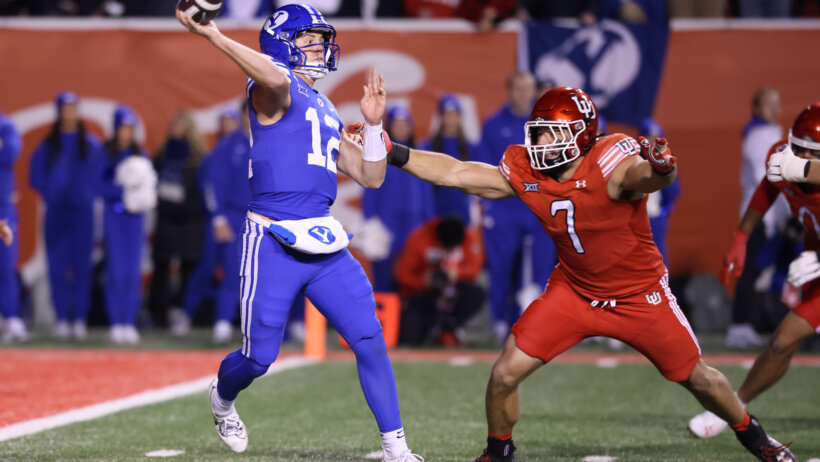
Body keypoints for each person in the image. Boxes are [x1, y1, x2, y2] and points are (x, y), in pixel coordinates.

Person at [383, 86, 794, 462]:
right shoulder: (530, 170)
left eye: (549, 134)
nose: (538, 142)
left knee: (698, 379)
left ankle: (755, 437)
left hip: (638, 296)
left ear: (579, 136)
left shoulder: (611, 162)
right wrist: (394, 151)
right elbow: (456, 172)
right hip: (575, 291)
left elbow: (645, 177)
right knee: (505, 372)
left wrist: (663, 168)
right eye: (537, 131)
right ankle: (498, 452)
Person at [175, 4, 422, 460]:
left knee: (369, 337)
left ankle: (396, 449)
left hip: (323, 239)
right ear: (280, 44)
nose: (320, 47)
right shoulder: (271, 89)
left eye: (320, 39)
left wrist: (372, 125)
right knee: (257, 359)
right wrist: (213, 34)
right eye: (308, 39)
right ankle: (223, 397)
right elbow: (272, 78)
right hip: (271, 237)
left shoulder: (325, 106)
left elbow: (371, 176)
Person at [689, 103, 820, 440]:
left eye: (812, 151)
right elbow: (768, 189)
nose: (801, 154)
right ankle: (734, 406)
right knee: (781, 342)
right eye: (798, 146)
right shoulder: (782, 156)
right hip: (814, 258)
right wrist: (741, 237)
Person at [473, 71, 556, 344]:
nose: (524, 94)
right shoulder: (494, 124)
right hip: (504, 207)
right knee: (501, 268)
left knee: (540, 268)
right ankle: (500, 322)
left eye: (528, 89)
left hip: (538, 208)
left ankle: (537, 323)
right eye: (518, 89)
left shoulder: (546, 125)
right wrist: (488, 205)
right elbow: (484, 167)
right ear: (509, 91)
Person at [29, 91, 104, 341]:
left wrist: (86, 194)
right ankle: (62, 318)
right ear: (59, 112)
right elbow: (35, 177)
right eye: (65, 108)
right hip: (57, 214)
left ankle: (79, 318)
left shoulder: (91, 144)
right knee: (57, 267)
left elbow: (100, 174)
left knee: (83, 267)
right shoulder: (48, 145)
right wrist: (53, 192)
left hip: (83, 213)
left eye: (74, 108)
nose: (70, 113)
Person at [728, 87, 790, 348]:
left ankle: (749, 323)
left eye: (778, 103)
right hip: (758, 215)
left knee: (761, 270)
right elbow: (766, 176)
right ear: (756, 107)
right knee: (749, 270)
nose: (775, 109)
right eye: (769, 104)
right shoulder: (757, 135)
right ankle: (739, 325)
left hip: (771, 214)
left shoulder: (769, 134)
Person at [99, 105, 156, 345]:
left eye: (131, 128)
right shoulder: (106, 154)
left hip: (135, 220)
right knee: (116, 271)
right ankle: (116, 321)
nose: (127, 132)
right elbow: (98, 186)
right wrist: (123, 193)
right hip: (115, 217)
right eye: (124, 128)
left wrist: (141, 198)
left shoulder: (141, 154)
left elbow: (150, 185)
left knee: (133, 272)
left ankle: (129, 321)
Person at [362, 105, 434, 292]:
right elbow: (370, 189)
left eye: (405, 124)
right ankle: (384, 320)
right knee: (384, 278)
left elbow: (426, 192)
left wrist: (429, 224)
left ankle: (412, 320)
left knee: (415, 277)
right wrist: (371, 223)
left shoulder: (419, 154)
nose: (401, 129)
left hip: (414, 225)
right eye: (397, 124)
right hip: (387, 225)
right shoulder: (378, 155)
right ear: (389, 128)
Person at [147, 110, 208, 329]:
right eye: (173, 125)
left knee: (187, 270)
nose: (176, 130)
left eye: (180, 125)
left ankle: (182, 311)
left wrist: (187, 208)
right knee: (161, 269)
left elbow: (202, 190)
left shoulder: (198, 157)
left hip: (189, 221)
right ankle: (157, 314)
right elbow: (152, 184)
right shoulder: (162, 155)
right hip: (166, 219)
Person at [394, 215, 485, 346]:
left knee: (476, 293)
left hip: (455, 292)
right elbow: (404, 275)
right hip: (425, 295)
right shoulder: (419, 238)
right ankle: (432, 330)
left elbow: (475, 269)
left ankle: (449, 328)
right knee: (409, 339)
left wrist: (457, 272)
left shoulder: (468, 236)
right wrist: (423, 280)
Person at [421, 94, 478, 224]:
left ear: (459, 116)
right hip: (437, 211)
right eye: (447, 114)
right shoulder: (429, 147)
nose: (450, 119)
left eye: (454, 114)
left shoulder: (470, 148)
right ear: (441, 117)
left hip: (463, 211)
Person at [0, 109, 27, 343]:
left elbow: (9, 153)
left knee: (6, 266)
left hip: (3, 207)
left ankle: (11, 317)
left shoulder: (6, 126)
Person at [639, 118, 681, 266]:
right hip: (637, 218)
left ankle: (663, 288)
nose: (653, 142)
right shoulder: (634, 161)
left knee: (658, 256)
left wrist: (665, 208)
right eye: (649, 137)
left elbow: (674, 189)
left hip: (655, 218)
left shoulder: (666, 161)